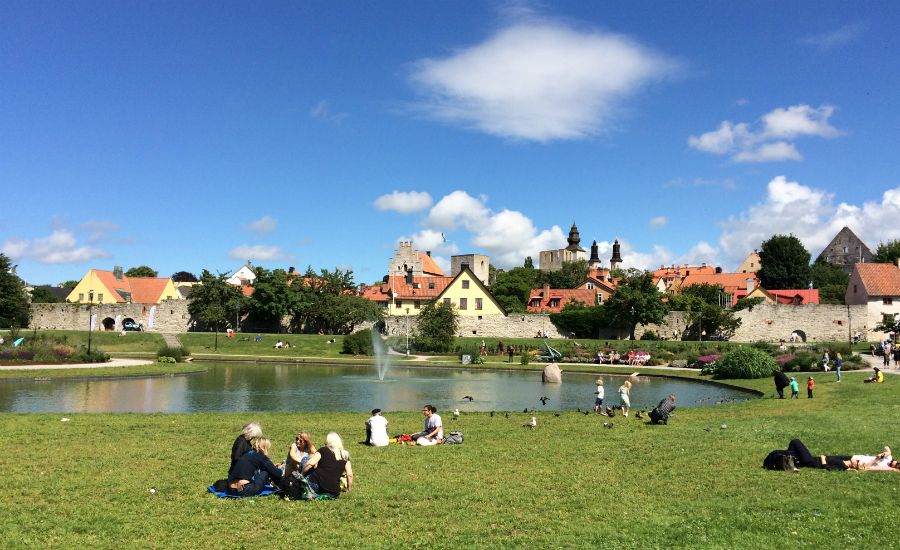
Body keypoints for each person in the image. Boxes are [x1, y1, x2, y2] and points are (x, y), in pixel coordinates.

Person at [301, 432, 353, 499]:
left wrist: (301, 474)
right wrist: (349, 489)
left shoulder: (323, 450)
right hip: (334, 491)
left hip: (317, 485)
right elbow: (349, 475)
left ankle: (307, 489)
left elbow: (310, 464)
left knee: (305, 459)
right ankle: (317, 496)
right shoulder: (345, 455)